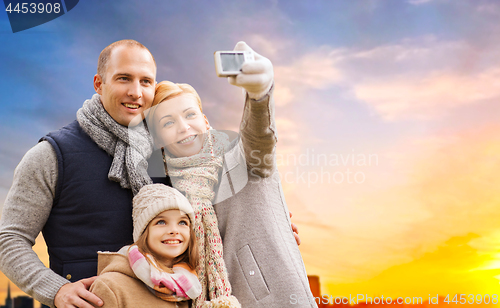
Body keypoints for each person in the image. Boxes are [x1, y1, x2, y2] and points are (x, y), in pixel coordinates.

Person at [146, 42, 317, 308]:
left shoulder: (241, 156)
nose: (183, 127)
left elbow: (259, 136)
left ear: (204, 120)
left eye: (189, 115)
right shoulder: (167, 195)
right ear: (158, 139)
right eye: (168, 122)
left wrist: (259, 94)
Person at [0, 39, 158, 308]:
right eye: (124, 78)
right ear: (99, 83)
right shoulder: (51, 155)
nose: (136, 92)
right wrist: (57, 290)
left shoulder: (167, 153)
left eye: (146, 81)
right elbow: (9, 240)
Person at [89, 184, 202, 308]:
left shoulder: (192, 286)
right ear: (143, 232)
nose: (174, 230)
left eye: (182, 222)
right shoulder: (111, 286)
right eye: (161, 222)